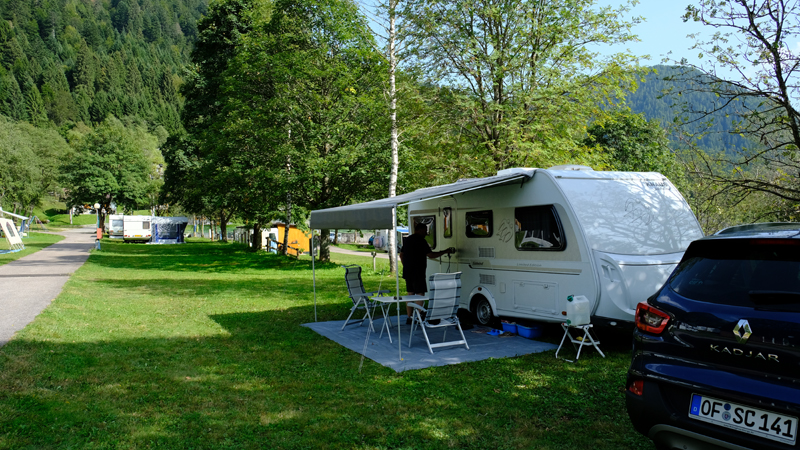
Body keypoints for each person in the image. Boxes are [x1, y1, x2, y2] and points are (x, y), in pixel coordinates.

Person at [399, 222, 455, 324]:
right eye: (425, 231)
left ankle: (409, 317)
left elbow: (401, 254)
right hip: (418, 271)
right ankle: (419, 317)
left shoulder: (408, 239)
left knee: (410, 293)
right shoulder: (421, 241)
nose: (426, 233)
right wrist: (445, 251)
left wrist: (405, 265)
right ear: (420, 230)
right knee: (420, 294)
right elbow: (430, 255)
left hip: (408, 271)